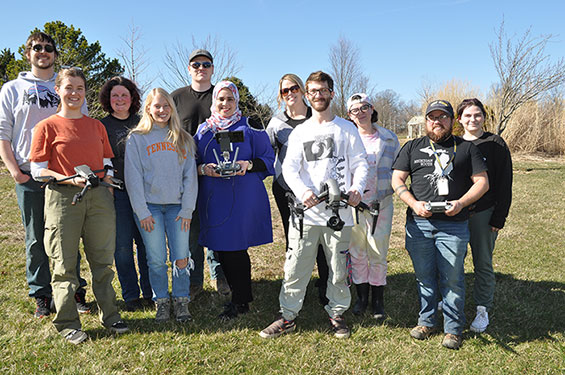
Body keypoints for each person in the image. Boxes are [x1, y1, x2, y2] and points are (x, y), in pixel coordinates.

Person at [260, 71, 368, 339]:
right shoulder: (301, 132)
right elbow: (290, 169)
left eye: (323, 91)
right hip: (305, 214)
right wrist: (303, 192)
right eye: (313, 92)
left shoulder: (346, 128)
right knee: (295, 267)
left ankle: (337, 313)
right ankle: (287, 316)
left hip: (339, 214)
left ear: (332, 93)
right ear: (307, 96)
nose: (318, 96)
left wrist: (356, 188)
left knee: (338, 269)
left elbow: (361, 163)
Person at [29, 67, 128, 345]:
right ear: (57, 90)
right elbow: (38, 170)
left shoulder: (96, 126)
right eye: (69, 87)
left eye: (80, 88)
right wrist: (68, 178)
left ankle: (110, 315)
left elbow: (107, 161)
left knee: (102, 261)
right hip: (63, 199)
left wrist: (106, 177)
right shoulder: (46, 127)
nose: (74, 93)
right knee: (64, 264)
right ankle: (68, 323)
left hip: (98, 198)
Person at [0, 32, 89, 318]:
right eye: (37, 48)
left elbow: (81, 128)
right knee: (36, 238)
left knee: (67, 237)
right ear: (28, 53)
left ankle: (75, 291)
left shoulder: (67, 88)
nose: (43, 52)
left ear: (54, 53)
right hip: (29, 175)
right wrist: (16, 172)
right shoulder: (12, 89)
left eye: (48, 48)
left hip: (65, 178)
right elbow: (2, 134)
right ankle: (41, 294)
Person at [391, 99, 489, 350]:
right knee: (424, 276)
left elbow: (481, 182)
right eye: (432, 117)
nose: (437, 122)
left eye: (442, 117)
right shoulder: (412, 147)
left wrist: (461, 203)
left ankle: (453, 328)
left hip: (454, 224)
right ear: (425, 121)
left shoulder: (467, 148)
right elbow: (397, 179)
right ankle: (426, 321)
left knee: (453, 278)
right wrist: (413, 204)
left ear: (451, 121)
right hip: (419, 224)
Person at [194, 80, 275, 320]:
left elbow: (268, 159)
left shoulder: (250, 126)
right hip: (214, 197)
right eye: (221, 99)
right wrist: (203, 169)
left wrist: (247, 165)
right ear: (214, 101)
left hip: (242, 197)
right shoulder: (204, 131)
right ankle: (238, 294)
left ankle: (241, 300)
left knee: (236, 248)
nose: (225, 104)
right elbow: (192, 162)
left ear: (237, 100)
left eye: (230, 99)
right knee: (220, 247)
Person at [124, 88, 197, 323]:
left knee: (181, 257)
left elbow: (190, 177)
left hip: (177, 208)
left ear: (172, 109)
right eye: (157, 106)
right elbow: (132, 178)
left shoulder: (182, 138)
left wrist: (187, 210)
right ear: (148, 108)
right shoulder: (136, 138)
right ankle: (162, 302)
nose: (162, 110)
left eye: (166, 106)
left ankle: (181, 300)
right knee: (155, 259)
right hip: (150, 209)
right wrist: (141, 211)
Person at [265, 73, 329, 306]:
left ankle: (325, 286)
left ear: (302, 91)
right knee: (295, 241)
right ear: (280, 96)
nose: (290, 93)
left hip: (318, 192)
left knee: (323, 239)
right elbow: (266, 154)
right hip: (287, 192)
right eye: (284, 91)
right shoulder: (276, 124)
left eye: (294, 88)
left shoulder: (318, 117)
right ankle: (294, 290)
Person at [172, 49, 229, 297]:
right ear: (189, 68)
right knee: (191, 227)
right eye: (196, 64)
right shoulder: (176, 98)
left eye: (206, 64)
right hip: (185, 173)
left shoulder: (222, 96)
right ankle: (195, 281)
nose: (201, 68)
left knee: (215, 226)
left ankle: (220, 276)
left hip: (216, 173)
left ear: (212, 68)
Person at [457, 98, 512, 333]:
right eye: (467, 115)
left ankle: (482, 308)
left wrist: (499, 217)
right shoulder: (454, 144)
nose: (473, 119)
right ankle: (451, 302)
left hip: (484, 213)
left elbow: (504, 183)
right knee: (453, 262)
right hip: (456, 213)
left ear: (483, 117)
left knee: (483, 262)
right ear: (459, 119)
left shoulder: (495, 143)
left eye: (477, 115)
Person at [99, 76, 152, 311]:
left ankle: (151, 293)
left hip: (144, 193)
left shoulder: (144, 124)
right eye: (115, 95)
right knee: (121, 247)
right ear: (108, 100)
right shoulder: (101, 126)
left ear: (133, 99)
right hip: (116, 193)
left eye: (124, 95)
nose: (120, 99)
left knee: (146, 245)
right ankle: (131, 296)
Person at [346, 93, 400, 320]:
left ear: (372, 108)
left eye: (364, 107)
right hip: (354, 206)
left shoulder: (389, 138)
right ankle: (361, 298)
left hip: (381, 203)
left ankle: (378, 301)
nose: (361, 113)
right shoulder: (347, 138)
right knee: (357, 252)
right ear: (349, 115)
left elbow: (399, 169)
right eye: (355, 110)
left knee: (378, 252)